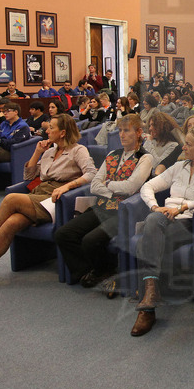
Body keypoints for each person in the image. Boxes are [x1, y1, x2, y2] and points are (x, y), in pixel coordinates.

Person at [0, 114, 97, 296]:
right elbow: (29, 177)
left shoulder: (78, 150)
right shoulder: (48, 151)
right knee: (11, 223)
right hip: (39, 194)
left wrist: (68, 186)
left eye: (51, 128)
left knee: (10, 199)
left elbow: (92, 174)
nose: (46, 130)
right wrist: (37, 152)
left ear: (63, 132)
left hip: (58, 199)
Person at [131, 123, 194, 337]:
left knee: (150, 230)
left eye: (189, 145)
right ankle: (150, 296)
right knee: (154, 221)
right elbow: (148, 187)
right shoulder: (178, 167)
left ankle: (147, 307)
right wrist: (155, 206)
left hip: (190, 224)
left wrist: (184, 207)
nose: (183, 148)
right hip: (163, 219)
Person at [55, 114, 154, 287]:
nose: (121, 135)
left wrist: (107, 184)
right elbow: (94, 185)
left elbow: (131, 187)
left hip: (124, 212)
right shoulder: (112, 155)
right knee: (63, 234)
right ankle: (89, 271)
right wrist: (113, 189)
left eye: (126, 130)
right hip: (101, 206)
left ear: (138, 132)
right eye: (120, 131)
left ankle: (102, 270)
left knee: (90, 240)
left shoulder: (145, 158)